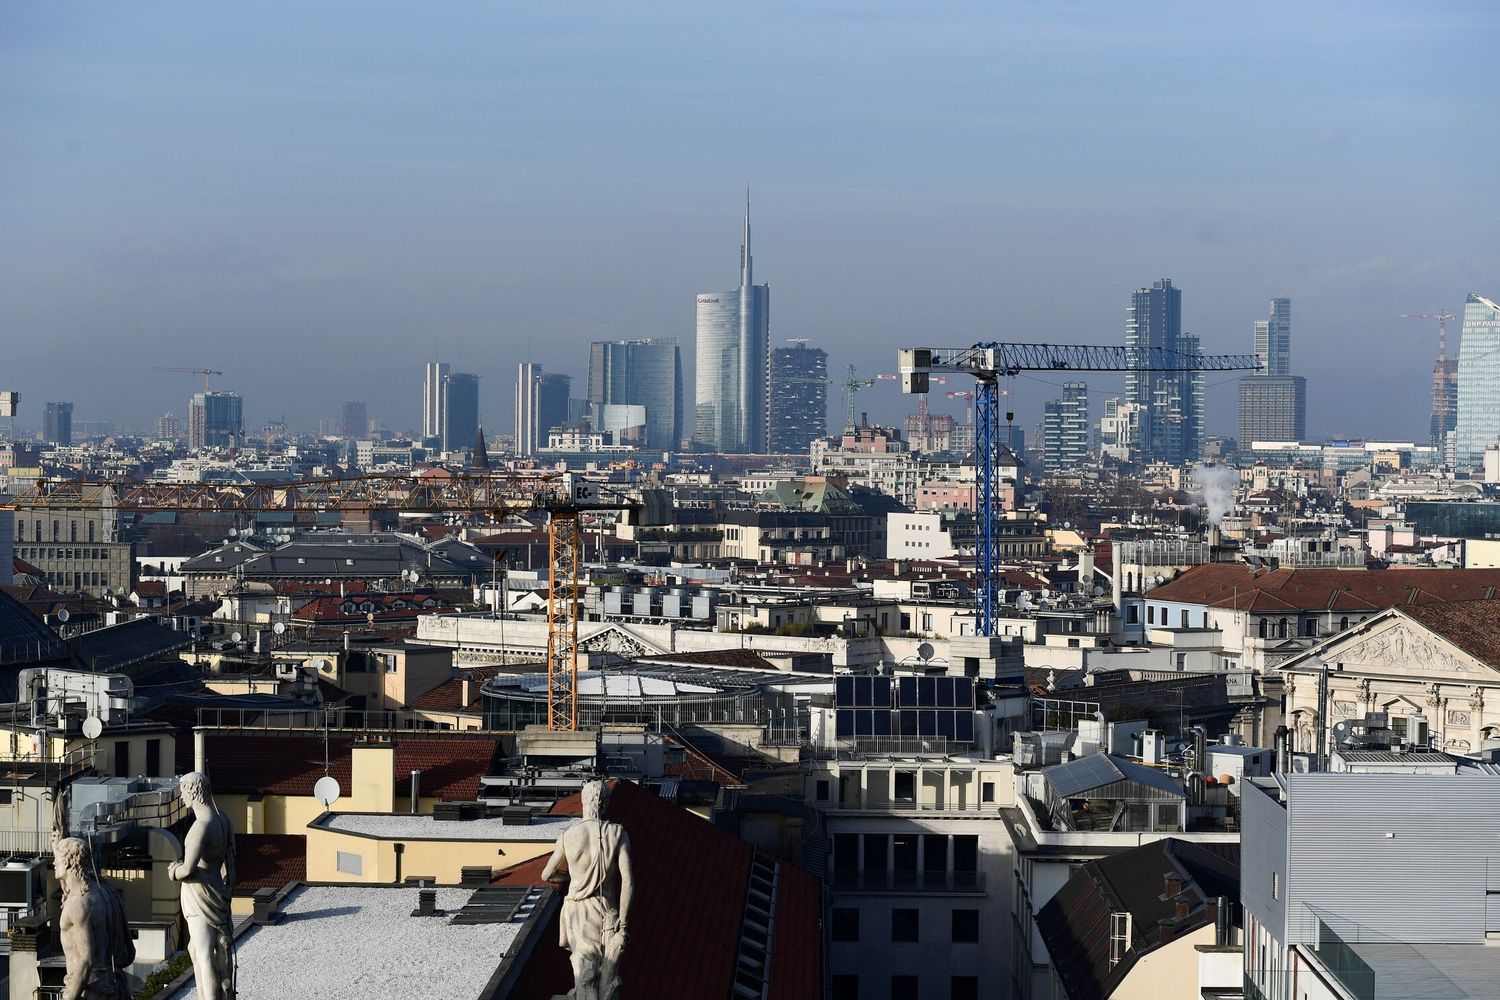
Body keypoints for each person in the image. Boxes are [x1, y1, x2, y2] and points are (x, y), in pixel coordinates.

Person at [541, 780, 634, 1000]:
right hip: (606, 911)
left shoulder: (568, 836)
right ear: (604, 803)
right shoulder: (617, 833)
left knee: (585, 969)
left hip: (577, 912)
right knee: (606, 973)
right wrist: (625, 924)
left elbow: (546, 875)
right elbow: (628, 883)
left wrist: (571, 878)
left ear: (584, 801)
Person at [167, 772, 236, 1000]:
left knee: (204, 954)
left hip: (200, 895)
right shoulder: (222, 819)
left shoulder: (200, 827)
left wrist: (173, 871)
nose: (181, 796)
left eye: (183, 791)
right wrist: (227, 896)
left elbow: (187, 869)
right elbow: (232, 867)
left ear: (192, 792)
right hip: (217, 889)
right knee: (197, 950)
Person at [56, 837, 135, 1000]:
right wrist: (58, 841)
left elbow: (86, 960)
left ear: (67, 863)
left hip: (91, 991)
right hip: (114, 985)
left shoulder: (78, 904)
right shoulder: (104, 889)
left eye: (56, 859)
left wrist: (70, 997)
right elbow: (129, 953)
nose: (53, 864)